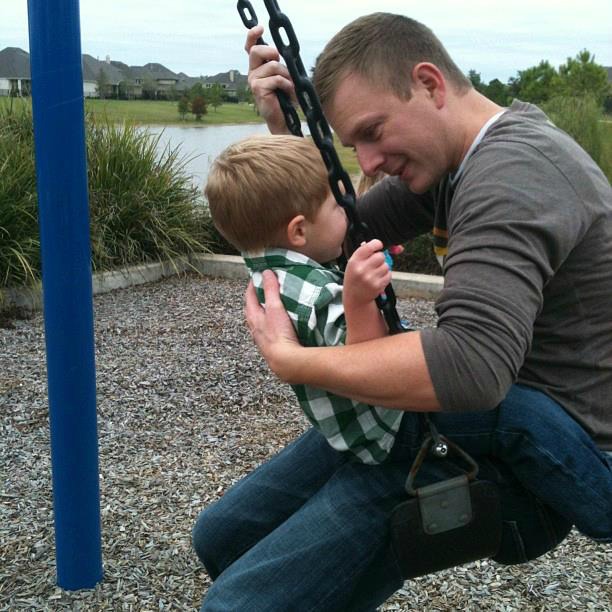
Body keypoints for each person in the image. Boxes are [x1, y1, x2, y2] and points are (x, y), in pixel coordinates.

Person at [192, 13, 612, 611]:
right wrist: (282, 130)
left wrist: (294, 361)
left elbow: (470, 368)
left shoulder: (515, 176)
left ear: (429, 85)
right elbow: (336, 231)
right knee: (224, 537)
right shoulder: (451, 162)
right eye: (352, 144)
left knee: (237, 606)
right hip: (450, 420)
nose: (365, 162)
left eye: (371, 131)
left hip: (537, 463)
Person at [205, 134, 403, 465]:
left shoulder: (267, 271)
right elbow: (368, 364)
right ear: (298, 232)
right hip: (387, 430)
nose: (348, 208)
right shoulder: (318, 294)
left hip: (343, 431)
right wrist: (357, 300)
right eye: (335, 205)